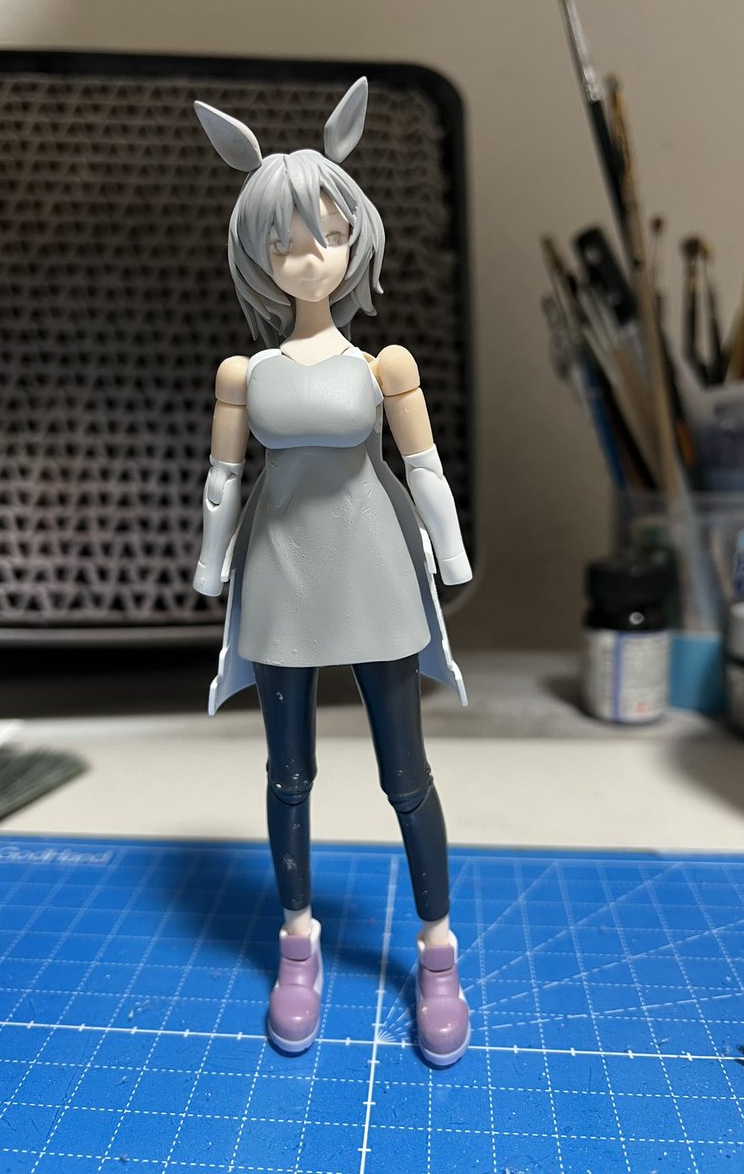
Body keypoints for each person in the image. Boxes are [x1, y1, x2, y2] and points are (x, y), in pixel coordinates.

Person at [192, 78, 472, 1067]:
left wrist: (451, 554)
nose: (308, 255)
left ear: (355, 238)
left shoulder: (383, 366)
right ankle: (297, 945)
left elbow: (424, 469)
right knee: (288, 773)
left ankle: (437, 953)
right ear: (259, 253)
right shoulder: (245, 374)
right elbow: (225, 480)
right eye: (284, 241)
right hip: (281, 577)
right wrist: (210, 566)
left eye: (327, 234)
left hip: (374, 572)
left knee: (406, 774)